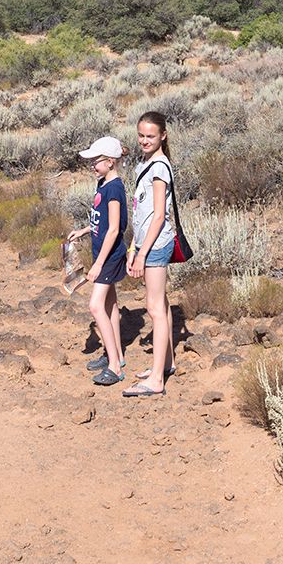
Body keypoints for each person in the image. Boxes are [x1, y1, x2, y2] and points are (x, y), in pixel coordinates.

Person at [67, 136, 128, 386]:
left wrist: (98, 264)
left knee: (96, 306)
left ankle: (115, 368)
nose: (92, 165)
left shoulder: (114, 188)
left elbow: (114, 230)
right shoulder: (103, 183)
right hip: (103, 252)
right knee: (111, 306)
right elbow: (101, 222)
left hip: (109, 256)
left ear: (110, 162)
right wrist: (84, 231)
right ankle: (116, 355)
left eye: (96, 161)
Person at [125, 111, 177, 397]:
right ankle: (165, 363)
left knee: (154, 308)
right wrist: (134, 246)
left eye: (150, 136)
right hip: (148, 243)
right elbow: (141, 214)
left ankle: (156, 379)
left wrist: (142, 254)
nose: (145, 141)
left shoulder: (159, 167)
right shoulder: (147, 162)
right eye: (141, 135)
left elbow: (158, 216)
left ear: (162, 136)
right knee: (162, 305)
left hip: (156, 246)